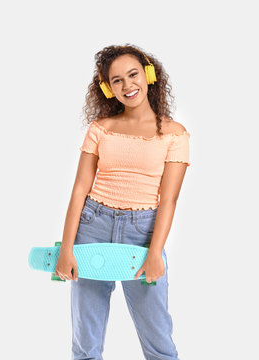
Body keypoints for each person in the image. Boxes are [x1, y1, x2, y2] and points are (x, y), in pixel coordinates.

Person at [54, 44, 190, 360]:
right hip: (92, 226)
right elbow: (79, 190)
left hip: (143, 234)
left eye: (133, 75)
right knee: (86, 342)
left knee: (159, 342)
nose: (127, 85)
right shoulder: (101, 129)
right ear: (107, 88)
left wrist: (155, 252)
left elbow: (168, 200)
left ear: (149, 75)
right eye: (117, 80)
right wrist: (66, 249)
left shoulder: (175, 134)